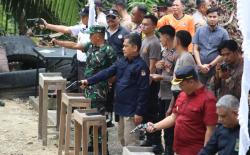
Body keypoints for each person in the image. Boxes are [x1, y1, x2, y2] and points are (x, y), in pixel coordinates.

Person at [80, 33, 150, 146]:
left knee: (131, 143)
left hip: (132, 111)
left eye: (126, 46)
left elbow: (144, 90)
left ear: (135, 48)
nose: (123, 48)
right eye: (123, 46)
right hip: (121, 108)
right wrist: (88, 81)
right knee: (122, 139)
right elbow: (106, 72)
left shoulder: (141, 66)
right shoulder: (122, 61)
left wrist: (139, 112)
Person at [147, 65, 218, 155]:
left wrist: (206, 153)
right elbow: (173, 117)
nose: (180, 87)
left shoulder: (208, 100)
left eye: (182, 84)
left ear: (191, 82)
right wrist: (155, 126)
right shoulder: (182, 95)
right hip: (179, 149)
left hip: (195, 151)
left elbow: (210, 130)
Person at [53, 25, 116, 114]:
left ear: (98, 36)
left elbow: (116, 69)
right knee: (86, 112)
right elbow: (75, 45)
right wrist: (58, 42)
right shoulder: (90, 46)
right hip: (87, 85)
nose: (89, 37)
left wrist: (109, 82)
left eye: (91, 35)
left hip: (99, 88)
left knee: (97, 113)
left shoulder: (109, 50)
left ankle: (98, 127)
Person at [40, 6, 90, 84]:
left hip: (88, 65)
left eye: (83, 16)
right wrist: (47, 25)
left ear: (89, 17)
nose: (81, 18)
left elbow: (77, 46)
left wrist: (58, 42)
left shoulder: (95, 29)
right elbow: (66, 29)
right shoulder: (83, 27)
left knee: (86, 90)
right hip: (80, 63)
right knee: (80, 88)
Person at [151, 25, 178, 155]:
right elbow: (163, 69)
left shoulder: (178, 54)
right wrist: (158, 66)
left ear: (166, 37)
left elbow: (179, 79)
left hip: (171, 95)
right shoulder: (165, 51)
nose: (159, 39)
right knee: (160, 120)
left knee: (169, 128)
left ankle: (169, 151)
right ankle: (161, 147)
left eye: (160, 37)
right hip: (162, 94)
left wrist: (162, 77)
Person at [139, 14, 163, 153]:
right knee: (146, 113)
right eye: (142, 24)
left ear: (154, 26)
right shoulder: (144, 39)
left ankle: (156, 143)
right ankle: (149, 139)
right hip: (143, 82)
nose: (143, 26)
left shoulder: (154, 42)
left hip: (150, 84)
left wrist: (146, 85)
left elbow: (152, 66)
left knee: (152, 113)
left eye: (146, 24)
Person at [193, 7, 230, 85]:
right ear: (206, 17)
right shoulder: (199, 30)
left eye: (214, 17)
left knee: (212, 93)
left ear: (218, 18)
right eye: (210, 17)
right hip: (200, 69)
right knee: (199, 93)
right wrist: (200, 65)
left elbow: (224, 53)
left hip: (215, 70)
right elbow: (195, 49)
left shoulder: (224, 33)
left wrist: (210, 65)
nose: (212, 19)